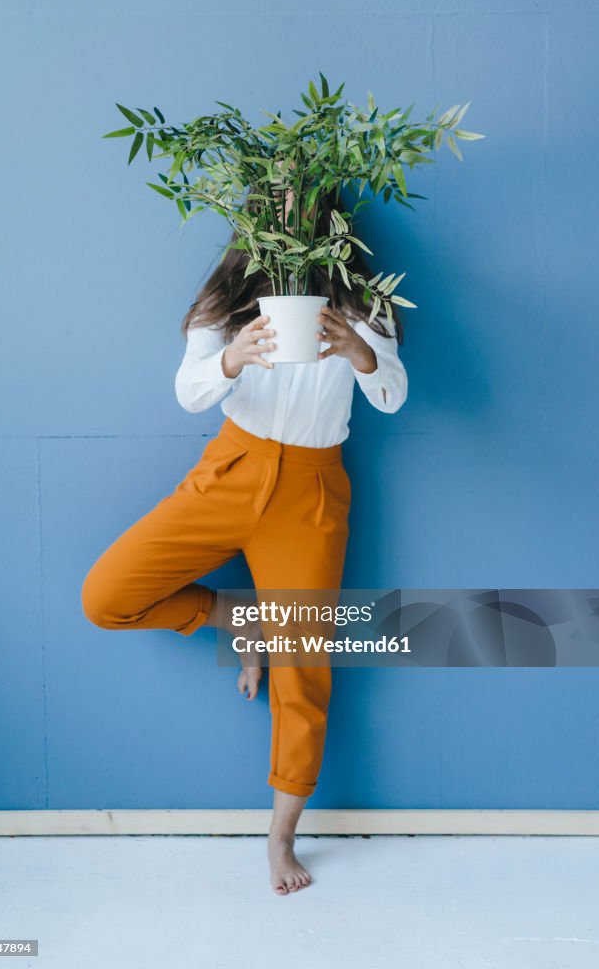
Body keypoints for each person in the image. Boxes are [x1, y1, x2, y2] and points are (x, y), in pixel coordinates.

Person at [80, 185, 409, 895]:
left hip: (312, 491)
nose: (292, 215)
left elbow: (393, 395)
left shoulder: (361, 302)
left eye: (306, 202)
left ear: (327, 215)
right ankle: (241, 621)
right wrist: (232, 357)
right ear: (257, 215)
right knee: (106, 596)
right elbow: (190, 392)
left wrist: (359, 352)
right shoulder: (226, 301)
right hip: (232, 467)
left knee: (304, 673)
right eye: (277, 202)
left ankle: (281, 835)